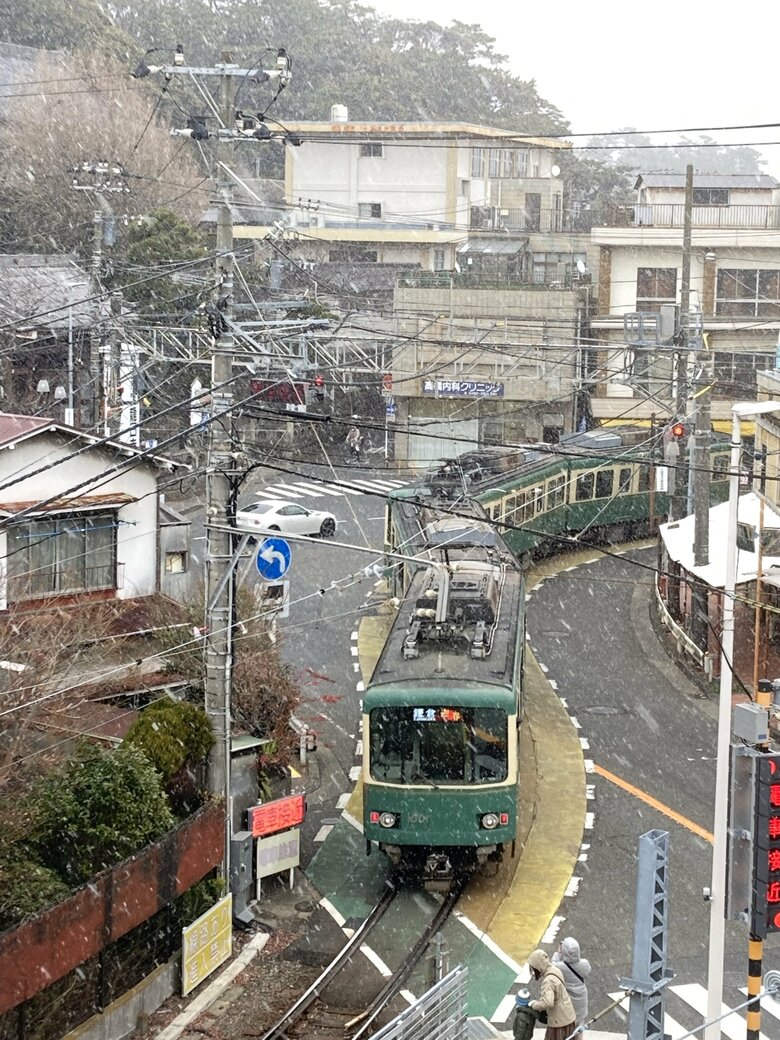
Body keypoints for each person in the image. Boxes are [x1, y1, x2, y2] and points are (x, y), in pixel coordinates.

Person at [528, 948, 576, 1040]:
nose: (533, 973)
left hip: (558, 1022)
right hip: (568, 1016)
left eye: (533, 969)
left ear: (538, 967)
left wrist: (534, 1004)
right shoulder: (555, 970)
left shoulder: (548, 981)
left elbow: (548, 1003)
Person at [553, 937, 590, 1031]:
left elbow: (552, 966)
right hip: (581, 1001)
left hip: (568, 1003)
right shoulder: (585, 964)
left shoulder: (560, 967)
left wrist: (558, 953)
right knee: (579, 1028)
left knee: (565, 1028)